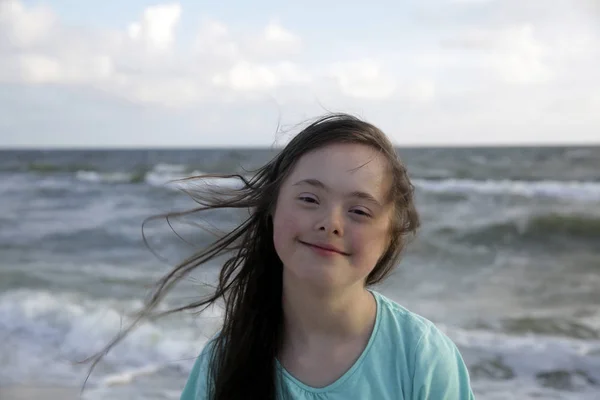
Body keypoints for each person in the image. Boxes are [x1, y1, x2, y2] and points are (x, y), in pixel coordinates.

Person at [164, 113, 475, 399]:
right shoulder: (224, 361)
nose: (331, 223)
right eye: (310, 198)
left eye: (359, 211)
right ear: (272, 207)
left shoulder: (422, 359)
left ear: (390, 235)